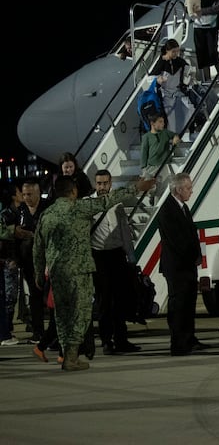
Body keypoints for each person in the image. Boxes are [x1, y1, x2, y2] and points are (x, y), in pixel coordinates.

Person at [32, 174, 154, 371]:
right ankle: (71, 357)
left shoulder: (47, 215)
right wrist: (136, 187)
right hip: (79, 272)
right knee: (81, 315)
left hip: (57, 273)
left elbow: (37, 248)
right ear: (73, 192)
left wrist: (39, 274)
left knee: (62, 316)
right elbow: (109, 200)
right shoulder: (79, 207)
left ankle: (66, 355)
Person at [89, 170, 141, 355]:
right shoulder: (90, 204)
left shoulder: (116, 204)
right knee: (104, 301)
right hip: (99, 256)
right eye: (99, 183)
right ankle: (106, 340)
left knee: (120, 299)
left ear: (110, 183)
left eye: (105, 183)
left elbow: (124, 232)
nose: (102, 187)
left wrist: (131, 256)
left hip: (117, 255)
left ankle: (121, 339)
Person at [157, 173, 206, 356]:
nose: (191, 191)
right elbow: (177, 241)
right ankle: (178, 343)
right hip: (177, 267)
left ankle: (189, 338)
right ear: (178, 189)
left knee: (189, 303)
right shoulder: (167, 210)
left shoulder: (183, 208)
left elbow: (192, 235)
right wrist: (192, 255)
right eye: (188, 188)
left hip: (188, 266)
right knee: (178, 305)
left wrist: (197, 255)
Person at [14, 177, 47, 342]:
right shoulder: (19, 211)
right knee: (34, 297)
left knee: (49, 296)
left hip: (47, 262)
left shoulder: (47, 208)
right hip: (28, 262)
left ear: (38, 193)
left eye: (30, 194)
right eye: (25, 194)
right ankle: (38, 331)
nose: (27, 198)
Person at [150, 38, 195, 136]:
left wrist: (189, 74)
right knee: (171, 118)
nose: (176, 54)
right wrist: (158, 80)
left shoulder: (179, 61)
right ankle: (173, 135)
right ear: (167, 51)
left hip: (177, 91)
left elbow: (188, 68)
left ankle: (187, 129)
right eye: (173, 52)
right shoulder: (161, 62)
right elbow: (152, 77)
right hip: (166, 95)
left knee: (190, 108)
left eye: (177, 51)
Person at [1, 182, 22, 345]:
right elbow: (6, 239)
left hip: (17, 258)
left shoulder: (18, 211)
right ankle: (5, 331)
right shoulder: (6, 214)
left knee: (13, 294)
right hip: (9, 260)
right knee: (10, 295)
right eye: (20, 191)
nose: (23, 194)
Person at [139, 112, 180, 180]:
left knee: (166, 183)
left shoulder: (165, 132)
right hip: (152, 166)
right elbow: (144, 152)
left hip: (164, 164)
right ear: (152, 123)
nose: (163, 124)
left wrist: (175, 137)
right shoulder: (146, 137)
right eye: (160, 122)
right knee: (149, 185)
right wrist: (143, 168)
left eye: (163, 122)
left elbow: (175, 135)